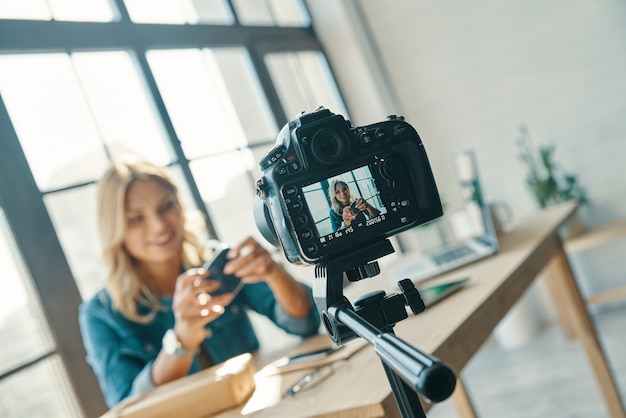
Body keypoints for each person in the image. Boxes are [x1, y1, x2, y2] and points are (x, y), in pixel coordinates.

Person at [78, 159, 320, 408]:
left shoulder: (217, 262)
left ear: (179, 205)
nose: (160, 225)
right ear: (115, 229)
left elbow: (306, 323)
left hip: (258, 405)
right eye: (136, 218)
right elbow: (127, 407)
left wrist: (275, 274)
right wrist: (182, 341)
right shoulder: (99, 314)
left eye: (166, 206)